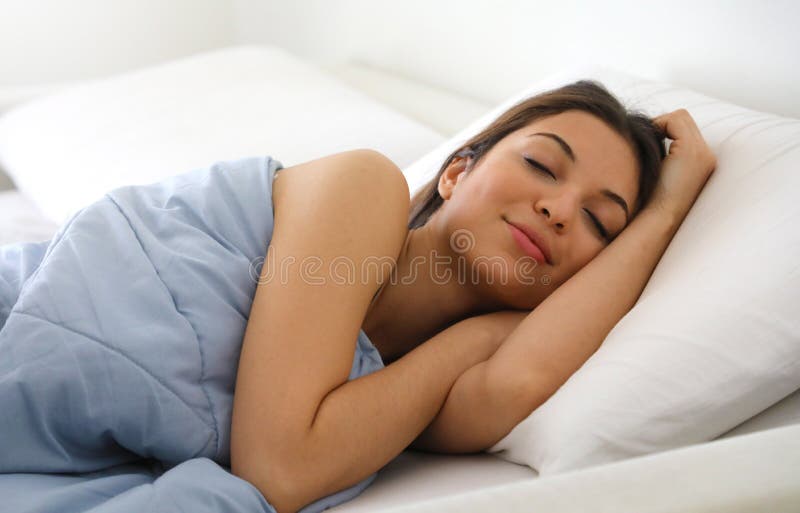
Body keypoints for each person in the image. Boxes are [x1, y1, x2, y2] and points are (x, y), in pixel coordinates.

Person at [231, 79, 717, 513]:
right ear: (455, 173)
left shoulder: (412, 398)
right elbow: (280, 470)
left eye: (599, 222)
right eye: (540, 165)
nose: (560, 210)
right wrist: (481, 337)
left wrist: (665, 213)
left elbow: (517, 383)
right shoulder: (363, 186)